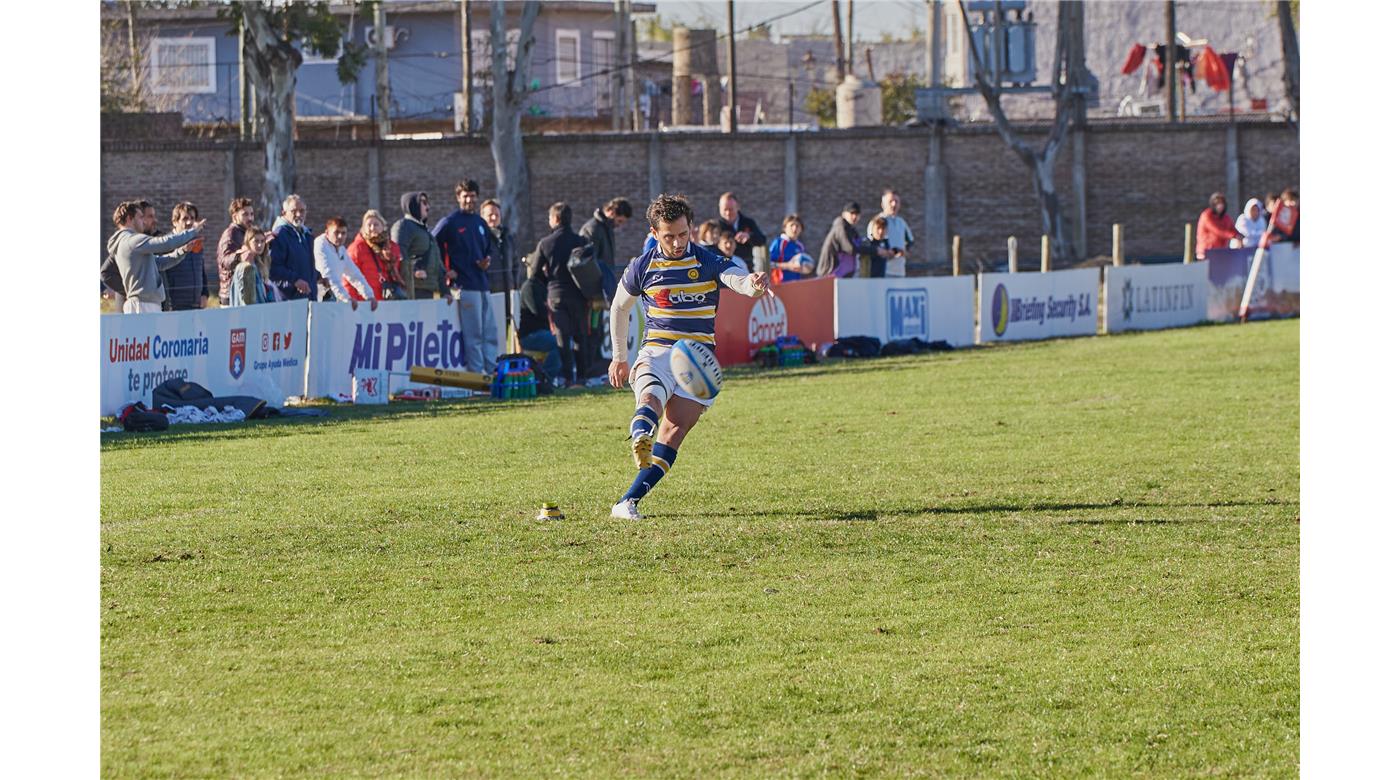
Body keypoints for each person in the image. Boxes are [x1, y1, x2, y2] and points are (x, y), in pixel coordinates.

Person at [606, 194, 770, 520]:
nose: (678, 242)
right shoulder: (643, 266)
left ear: (691, 228)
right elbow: (619, 308)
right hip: (658, 350)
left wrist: (753, 285)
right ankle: (640, 435)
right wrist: (619, 357)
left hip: (697, 360)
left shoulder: (706, 260)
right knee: (651, 396)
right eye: (669, 236)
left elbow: (736, 280)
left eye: (683, 234)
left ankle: (627, 503)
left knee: (673, 433)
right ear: (654, 233)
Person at [433, 179, 497, 373]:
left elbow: (489, 249)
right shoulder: (450, 222)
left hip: (483, 284)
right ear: (458, 198)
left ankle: (492, 373)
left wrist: (487, 261)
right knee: (474, 335)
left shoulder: (480, 223)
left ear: (477, 197)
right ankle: (479, 379)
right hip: (463, 286)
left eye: (472, 196)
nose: (469, 199)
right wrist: (444, 271)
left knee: (490, 332)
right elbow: (431, 244)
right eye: (465, 196)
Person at [107, 200, 206, 314]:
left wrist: (182, 251)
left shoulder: (129, 242)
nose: (143, 222)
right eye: (140, 217)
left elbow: (160, 263)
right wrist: (193, 231)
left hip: (144, 303)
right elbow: (164, 243)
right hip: (143, 305)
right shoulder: (132, 240)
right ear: (129, 218)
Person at [533, 202, 591, 387]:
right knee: (580, 336)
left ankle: (566, 377)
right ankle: (582, 377)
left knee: (562, 337)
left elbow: (534, 274)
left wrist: (549, 280)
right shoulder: (580, 241)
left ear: (555, 219)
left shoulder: (545, 243)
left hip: (556, 294)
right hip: (579, 295)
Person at [314, 216, 378, 310]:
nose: (340, 236)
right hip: (319, 297)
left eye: (343, 233)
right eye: (336, 233)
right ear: (327, 233)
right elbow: (328, 274)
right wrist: (346, 298)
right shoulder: (320, 245)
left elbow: (354, 274)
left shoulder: (341, 249)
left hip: (334, 297)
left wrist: (369, 295)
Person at [392, 191, 445, 300]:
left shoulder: (425, 231)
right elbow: (398, 254)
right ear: (413, 204)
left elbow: (437, 262)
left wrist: (445, 291)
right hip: (413, 289)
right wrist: (414, 271)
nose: (428, 207)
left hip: (429, 289)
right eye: (424, 203)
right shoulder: (403, 226)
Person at [348, 210, 407, 301]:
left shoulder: (392, 247)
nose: (372, 228)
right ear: (363, 228)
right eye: (369, 225)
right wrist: (352, 300)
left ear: (383, 226)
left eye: (376, 224)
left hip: (389, 299)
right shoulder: (357, 248)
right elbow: (348, 277)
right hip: (365, 301)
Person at [817, 202, 887, 278]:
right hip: (831, 274)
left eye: (857, 214)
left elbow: (859, 246)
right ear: (844, 214)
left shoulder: (851, 230)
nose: (854, 216)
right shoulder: (841, 227)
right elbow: (850, 248)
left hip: (842, 276)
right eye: (852, 213)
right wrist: (875, 250)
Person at [269, 194, 318, 300]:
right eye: (294, 211)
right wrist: (294, 280)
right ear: (284, 213)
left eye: (302, 211)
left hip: (308, 297)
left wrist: (318, 277)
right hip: (288, 301)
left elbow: (304, 266)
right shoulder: (279, 235)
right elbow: (273, 269)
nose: (298, 214)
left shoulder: (307, 235)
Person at [162, 201, 210, 311]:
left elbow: (201, 270)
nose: (189, 222)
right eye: (185, 218)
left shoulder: (197, 242)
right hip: (175, 306)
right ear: (175, 222)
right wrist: (167, 303)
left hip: (196, 305)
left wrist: (204, 293)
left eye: (192, 218)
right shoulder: (167, 243)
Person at [217, 198, 256, 306]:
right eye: (245, 214)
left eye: (252, 214)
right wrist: (240, 256)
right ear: (235, 216)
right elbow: (225, 261)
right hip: (231, 294)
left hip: (244, 291)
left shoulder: (246, 233)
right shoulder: (230, 234)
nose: (250, 218)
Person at [869, 189, 915, 277]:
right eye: (890, 201)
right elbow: (871, 243)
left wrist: (905, 252)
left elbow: (910, 241)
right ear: (883, 204)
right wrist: (886, 252)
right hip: (883, 271)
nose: (894, 204)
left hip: (899, 271)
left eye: (896, 201)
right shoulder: (877, 221)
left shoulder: (901, 222)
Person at [717, 192, 766, 271]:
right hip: (725, 270)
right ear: (719, 208)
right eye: (725, 209)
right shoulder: (717, 226)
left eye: (731, 209)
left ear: (738, 207)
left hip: (747, 268)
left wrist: (749, 236)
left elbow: (762, 240)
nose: (728, 213)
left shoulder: (748, 222)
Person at [230, 230, 281, 306]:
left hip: (261, 313)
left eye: (262, 241)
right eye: (256, 241)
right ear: (248, 243)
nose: (260, 245)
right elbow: (247, 301)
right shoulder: (246, 266)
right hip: (249, 314)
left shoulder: (261, 265)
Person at [767, 214, 813, 286]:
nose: (794, 228)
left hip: (795, 285)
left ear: (801, 229)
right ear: (785, 228)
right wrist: (788, 266)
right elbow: (768, 264)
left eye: (797, 226)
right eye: (791, 225)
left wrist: (806, 268)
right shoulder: (779, 243)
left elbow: (800, 267)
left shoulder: (800, 246)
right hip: (779, 285)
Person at [1195, 192, 1242, 260]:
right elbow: (1218, 231)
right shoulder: (1206, 215)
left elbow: (1232, 229)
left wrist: (1239, 236)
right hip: (1205, 253)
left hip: (1220, 252)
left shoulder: (1225, 217)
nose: (1220, 205)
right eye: (1217, 203)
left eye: (1221, 203)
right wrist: (1233, 236)